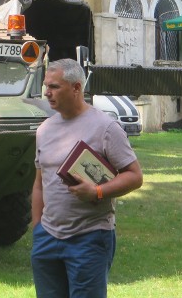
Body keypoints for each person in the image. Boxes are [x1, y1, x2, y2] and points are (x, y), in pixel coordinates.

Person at [31, 58, 143, 298]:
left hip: (89, 237)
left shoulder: (105, 128)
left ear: (76, 88)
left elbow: (135, 176)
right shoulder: (44, 129)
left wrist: (98, 192)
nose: (47, 93)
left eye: (55, 87)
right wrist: (37, 227)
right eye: (46, 86)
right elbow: (40, 184)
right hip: (48, 237)